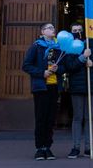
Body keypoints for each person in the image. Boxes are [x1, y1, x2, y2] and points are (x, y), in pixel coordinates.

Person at [22, 23, 64, 160]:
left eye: (53, 28)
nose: (53, 29)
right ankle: (40, 148)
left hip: (54, 87)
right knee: (41, 118)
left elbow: (64, 67)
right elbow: (26, 65)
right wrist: (42, 73)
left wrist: (59, 69)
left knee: (51, 119)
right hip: (41, 87)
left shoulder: (59, 47)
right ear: (42, 31)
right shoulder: (36, 46)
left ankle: (48, 147)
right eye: (49, 28)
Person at [64, 22, 93, 158]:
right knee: (77, 118)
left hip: (91, 86)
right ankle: (75, 147)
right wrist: (82, 57)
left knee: (90, 118)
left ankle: (89, 147)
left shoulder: (92, 43)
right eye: (74, 30)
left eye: (79, 29)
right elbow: (69, 66)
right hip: (76, 87)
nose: (77, 32)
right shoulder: (69, 46)